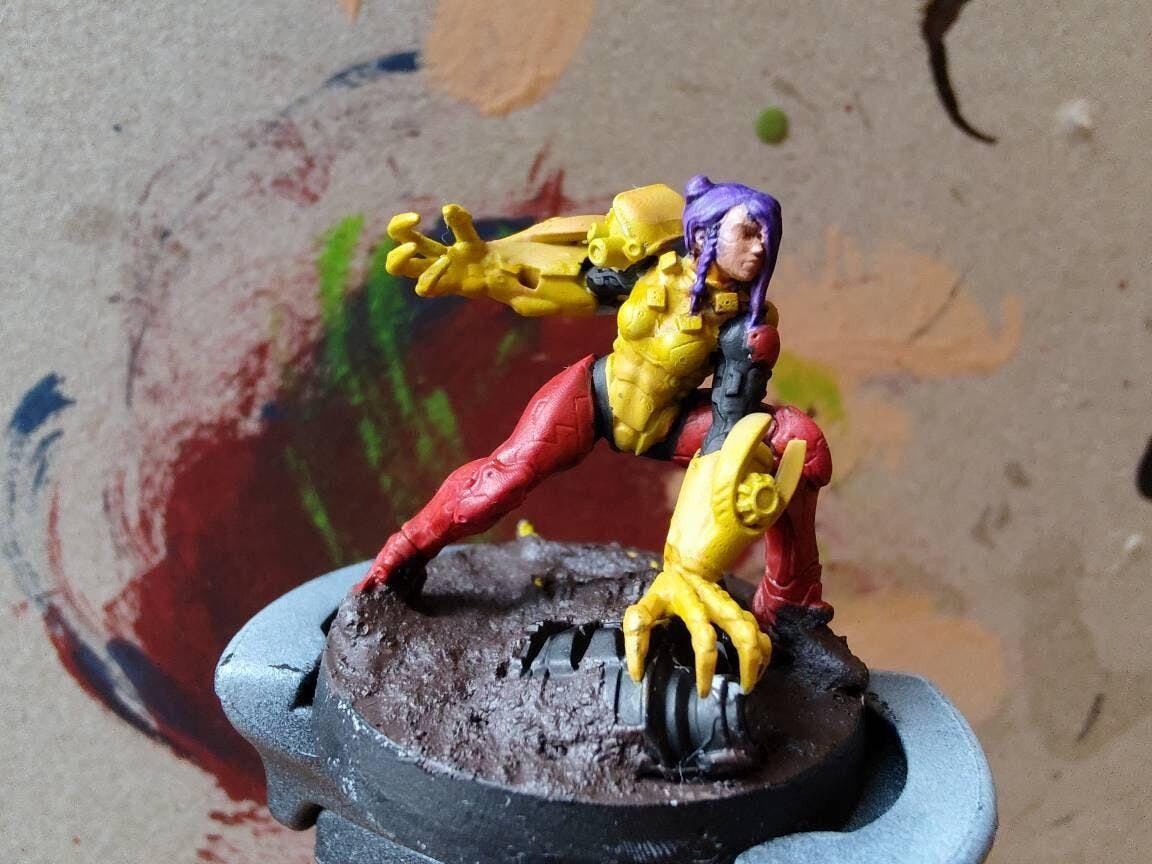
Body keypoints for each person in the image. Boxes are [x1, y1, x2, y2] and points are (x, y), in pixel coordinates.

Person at [357, 176, 832, 698]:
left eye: (768, 235)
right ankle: (401, 556)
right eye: (748, 232)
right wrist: (489, 267)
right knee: (495, 486)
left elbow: (727, 429)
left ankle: (791, 605)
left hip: (668, 424)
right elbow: (577, 277)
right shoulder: (655, 268)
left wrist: (688, 563)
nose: (760, 246)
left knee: (794, 443)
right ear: (704, 234)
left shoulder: (747, 331)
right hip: (597, 396)